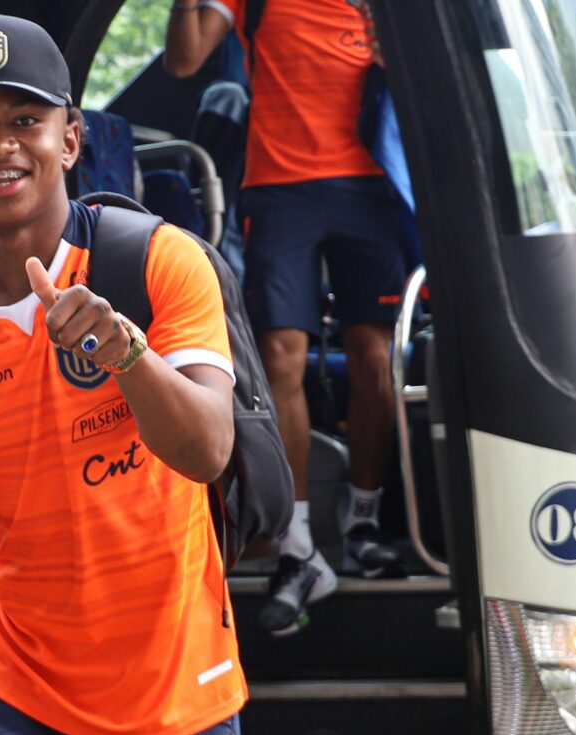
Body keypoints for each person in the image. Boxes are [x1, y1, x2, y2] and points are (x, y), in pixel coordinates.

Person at [0, 14, 247, 735]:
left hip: (179, 703)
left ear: (70, 139)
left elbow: (208, 450)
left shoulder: (160, 262)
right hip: (17, 704)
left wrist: (128, 356)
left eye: (25, 120)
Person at [164, 0, 406, 638]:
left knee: (375, 358)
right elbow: (185, 58)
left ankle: (363, 523)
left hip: (370, 183)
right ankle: (297, 548)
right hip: (279, 189)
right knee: (278, 357)